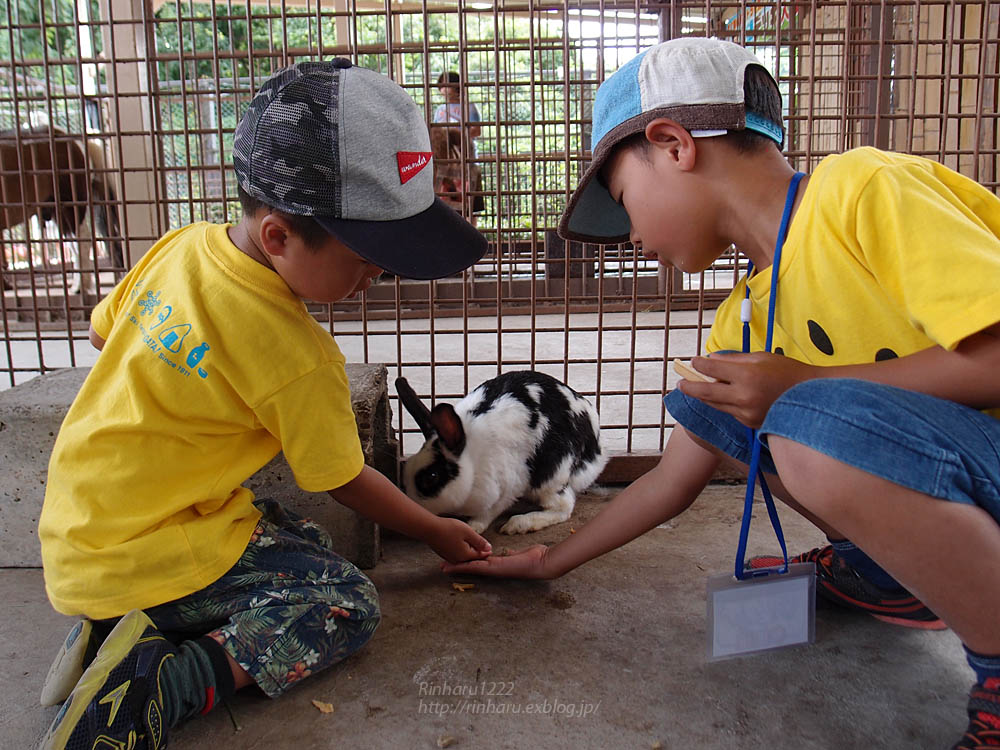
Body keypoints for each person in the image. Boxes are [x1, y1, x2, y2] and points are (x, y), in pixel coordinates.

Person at [442, 37, 1000, 749]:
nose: (635, 238)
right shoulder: (744, 314)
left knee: (798, 414)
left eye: (625, 203)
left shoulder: (863, 190)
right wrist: (552, 561)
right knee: (741, 404)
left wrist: (807, 384)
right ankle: (887, 573)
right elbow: (673, 480)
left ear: (673, 144)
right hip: (951, 483)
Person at [37, 58, 492, 750]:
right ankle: (162, 681)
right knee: (342, 600)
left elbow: (106, 331)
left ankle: (112, 626)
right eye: (367, 257)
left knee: (284, 532)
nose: (378, 274)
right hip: (154, 551)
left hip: (78, 531)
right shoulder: (297, 355)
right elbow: (342, 480)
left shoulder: (182, 246)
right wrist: (432, 532)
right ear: (279, 236)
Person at [431, 71, 485, 226]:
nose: (443, 90)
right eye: (441, 86)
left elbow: (477, 130)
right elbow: (435, 134)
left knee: (471, 203)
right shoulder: (440, 109)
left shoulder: (469, 106)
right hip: (445, 163)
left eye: (446, 85)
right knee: (447, 202)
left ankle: (472, 233)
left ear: (456, 87)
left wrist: (456, 134)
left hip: (467, 160)